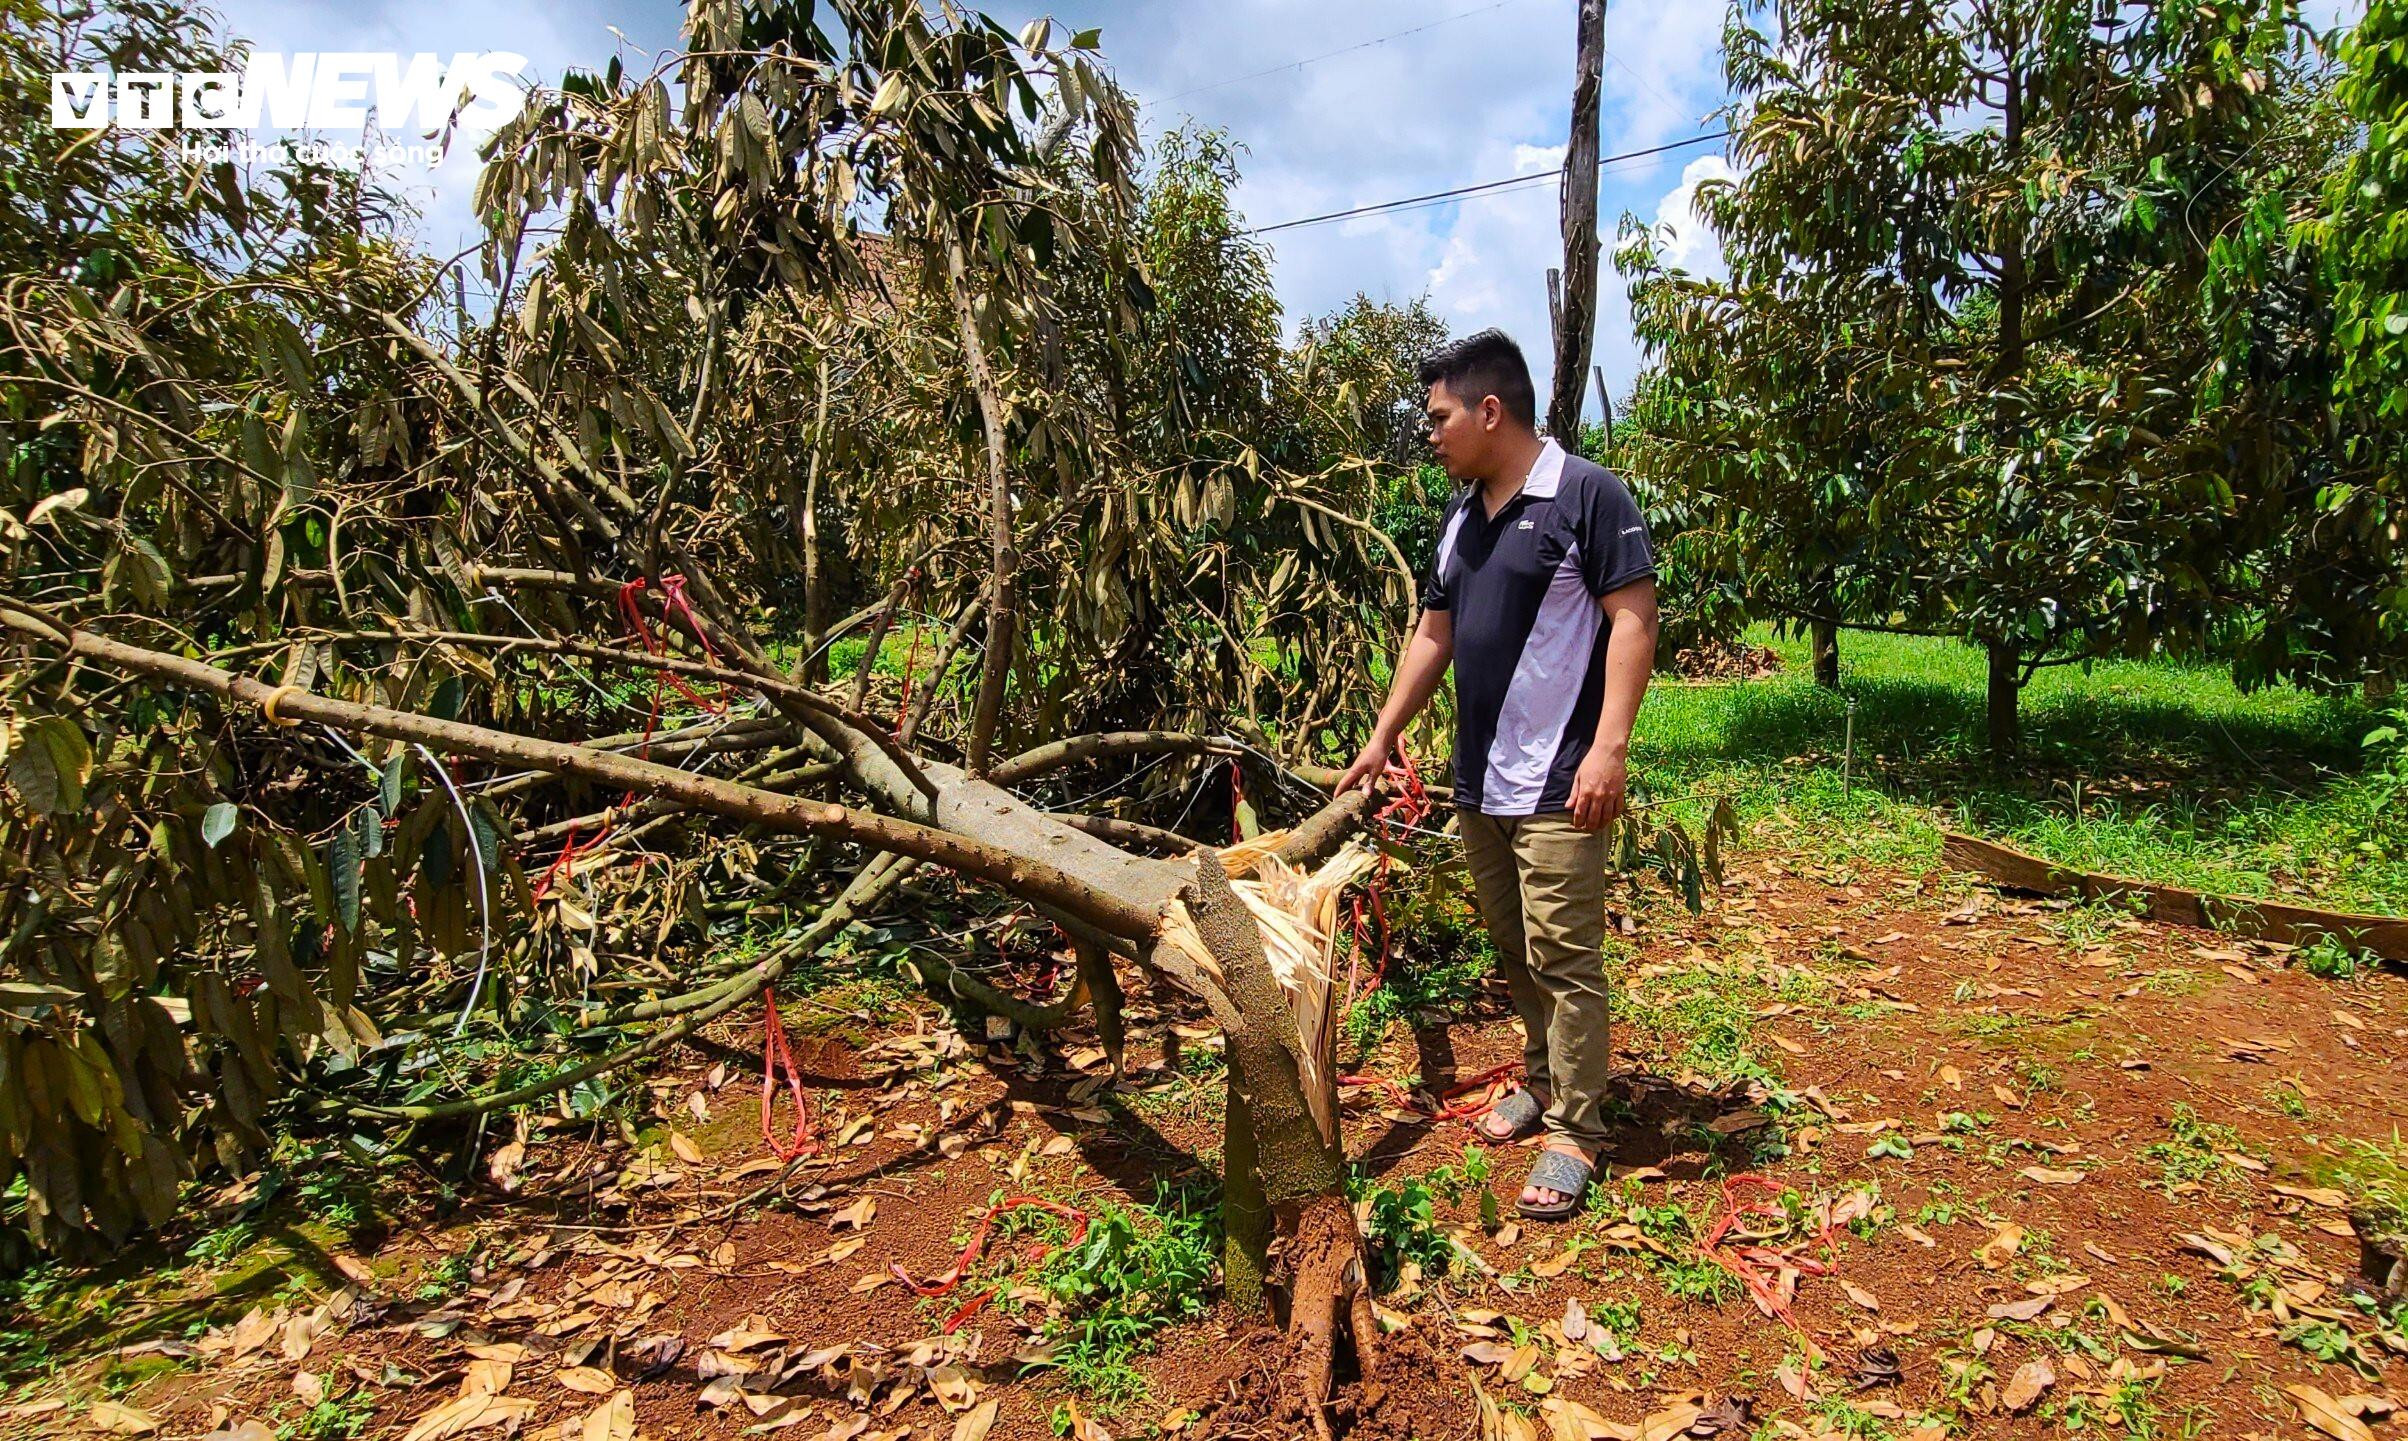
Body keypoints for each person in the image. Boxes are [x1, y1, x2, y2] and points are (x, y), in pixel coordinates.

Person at [1336, 329, 1659, 1220]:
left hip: (1562, 780)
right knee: (1516, 947)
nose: (1430, 433)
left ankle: (1578, 1131)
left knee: (1565, 954)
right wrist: (1382, 737)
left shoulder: (1586, 496)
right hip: (1481, 782)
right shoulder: (1461, 517)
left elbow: (1634, 619)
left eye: (1439, 417)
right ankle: (1546, 1080)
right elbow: (1433, 634)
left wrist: (1609, 748)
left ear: (1489, 411)